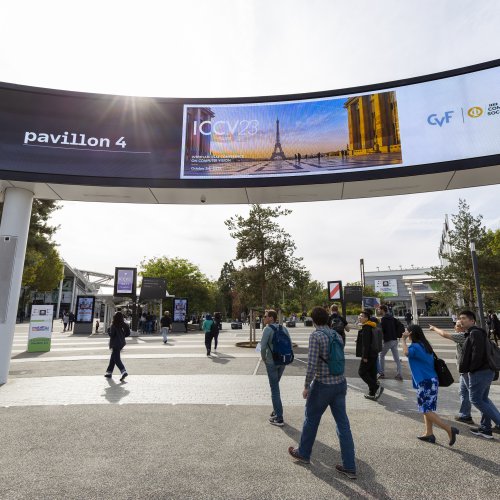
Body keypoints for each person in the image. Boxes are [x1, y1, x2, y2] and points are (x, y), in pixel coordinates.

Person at [288, 307, 356, 479]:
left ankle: (303, 453)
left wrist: (306, 386)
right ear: (327, 319)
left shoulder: (316, 336)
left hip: (323, 384)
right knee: (343, 424)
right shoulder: (336, 335)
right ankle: (349, 465)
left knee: (311, 419)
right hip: (340, 383)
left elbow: (311, 365)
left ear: (313, 320)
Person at [402, 325, 459, 445]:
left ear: (411, 333)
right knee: (428, 408)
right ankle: (429, 433)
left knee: (424, 409)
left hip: (424, 381)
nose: (405, 332)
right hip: (432, 380)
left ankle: (449, 429)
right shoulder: (425, 345)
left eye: (407, 331)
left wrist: (403, 340)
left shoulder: (415, 346)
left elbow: (406, 353)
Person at [459, 310, 500, 439]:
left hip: (480, 372)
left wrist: (471, 369)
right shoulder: (473, 333)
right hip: (484, 371)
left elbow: (477, 354)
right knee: (483, 399)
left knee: (476, 399)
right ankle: (485, 428)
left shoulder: (475, 333)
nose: (461, 320)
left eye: (464, 318)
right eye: (460, 318)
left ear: (472, 321)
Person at [430, 320, 473, 424]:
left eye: (457, 325)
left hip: (468, 371)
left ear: (462, 327)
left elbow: (444, 334)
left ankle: (492, 419)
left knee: (476, 397)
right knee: (463, 392)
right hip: (464, 371)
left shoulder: (463, 336)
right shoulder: (464, 335)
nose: (455, 327)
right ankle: (465, 415)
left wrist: (434, 328)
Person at [260, 309, 291, 427]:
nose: (263, 318)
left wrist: (263, 358)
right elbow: (290, 343)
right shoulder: (284, 328)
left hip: (271, 362)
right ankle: (276, 409)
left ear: (271, 318)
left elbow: (263, 347)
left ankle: (279, 417)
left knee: (274, 389)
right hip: (283, 361)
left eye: (265, 316)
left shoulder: (267, 329)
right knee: (275, 385)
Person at [356, 311, 384, 401]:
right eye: (359, 315)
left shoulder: (366, 327)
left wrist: (364, 356)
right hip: (374, 353)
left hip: (368, 355)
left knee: (362, 372)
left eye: (361, 316)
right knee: (372, 374)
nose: (359, 317)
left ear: (366, 318)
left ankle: (376, 387)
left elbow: (366, 344)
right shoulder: (372, 325)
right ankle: (372, 394)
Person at [377, 305, 403, 381]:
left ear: (382, 310)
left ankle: (381, 373)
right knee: (396, 358)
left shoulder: (384, 319)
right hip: (395, 340)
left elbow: (382, 330)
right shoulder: (392, 318)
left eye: (379, 309)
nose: (378, 311)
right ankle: (399, 374)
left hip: (388, 340)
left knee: (381, 355)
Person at [105, 311, 130, 381]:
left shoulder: (113, 325)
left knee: (116, 359)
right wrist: (123, 336)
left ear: (114, 317)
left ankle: (123, 371)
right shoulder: (124, 324)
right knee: (113, 358)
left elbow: (112, 334)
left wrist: (108, 330)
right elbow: (128, 333)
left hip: (115, 344)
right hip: (121, 343)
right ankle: (109, 372)